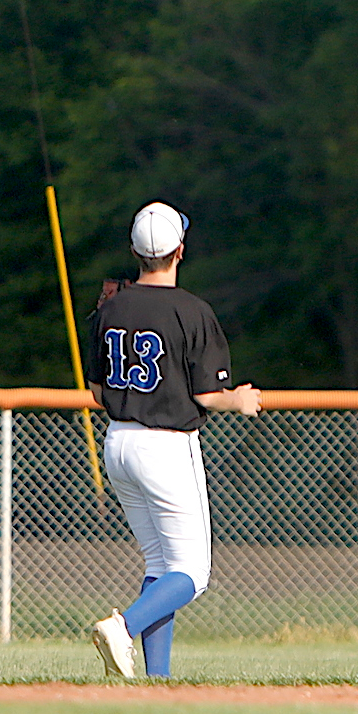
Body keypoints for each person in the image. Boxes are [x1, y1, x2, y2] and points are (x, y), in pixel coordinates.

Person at [83, 202, 261, 679]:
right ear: (180, 250)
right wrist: (238, 399)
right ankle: (124, 627)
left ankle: (156, 679)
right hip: (165, 445)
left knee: (161, 564)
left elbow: (98, 392)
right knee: (193, 573)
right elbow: (206, 393)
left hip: (118, 442)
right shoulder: (192, 311)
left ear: (135, 252)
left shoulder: (111, 307)